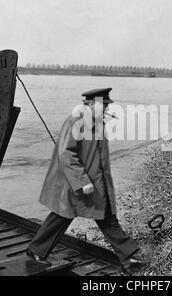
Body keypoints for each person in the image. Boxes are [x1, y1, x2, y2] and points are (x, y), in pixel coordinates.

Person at [26, 88, 148, 274]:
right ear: (91, 104)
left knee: (105, 215)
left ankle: (128, 256)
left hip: (94, 182)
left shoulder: (96, 123)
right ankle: (36, 251)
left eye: (107, 106)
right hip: (74, 183)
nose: (107, 109)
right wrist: (82, 180)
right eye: (104, 105)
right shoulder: (75, 121)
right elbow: (66, 153)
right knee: (62, 215)